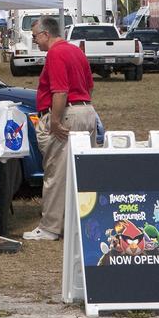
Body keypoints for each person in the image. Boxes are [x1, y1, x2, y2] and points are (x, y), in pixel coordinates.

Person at [23, 15, 97, 242]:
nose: (34, 40)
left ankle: (50, 227)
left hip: (67, 115)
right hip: (86, 111)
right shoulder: (75, 51)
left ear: (46, 34)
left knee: (56, 174)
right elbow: (89, 85)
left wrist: (55, 121)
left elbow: (60, 91)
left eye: (35, 36)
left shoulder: (55, 54)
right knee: (82, 173)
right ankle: (82, 222)